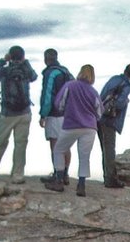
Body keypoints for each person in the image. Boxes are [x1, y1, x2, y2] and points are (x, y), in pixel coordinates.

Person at [0, 45, 38, 184]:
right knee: (20, 144)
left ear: (10, 56)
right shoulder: (25, 71)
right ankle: (17, 175)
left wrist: (2, 61)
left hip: (7, 113)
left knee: (0, 142)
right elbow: (34, 76)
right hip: (24, 112)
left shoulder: (5, 71)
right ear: (23, 57)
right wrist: (25, 62)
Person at [43, 64, 101, 197]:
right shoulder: (93, 91)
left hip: (71, 124)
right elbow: (99, 112)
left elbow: (59, 103)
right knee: (84, 157)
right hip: (90, 127)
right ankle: (81, 186)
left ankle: (59, 180)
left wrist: (68, 111)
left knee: (59, 149)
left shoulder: (70, 85)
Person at [98, 64, 130, 188]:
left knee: (104, 148)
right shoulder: (125, 86)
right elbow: (119, 104)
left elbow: (102, 95)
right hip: (110, 120)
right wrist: (125, 101)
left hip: (99, 117)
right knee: (109, 149)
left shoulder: (113, 79)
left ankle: (107, 176)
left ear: (124, 70)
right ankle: (110, 179)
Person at [37, 49, 72, 185]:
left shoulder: (50, 73)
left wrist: (43, 115)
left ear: (46, 59)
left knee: (55, 145)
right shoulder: (66, 72)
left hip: (55, 114)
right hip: (68, 114)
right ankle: (66, 174)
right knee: (66, 145)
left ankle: (58, 175)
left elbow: (48, 95)